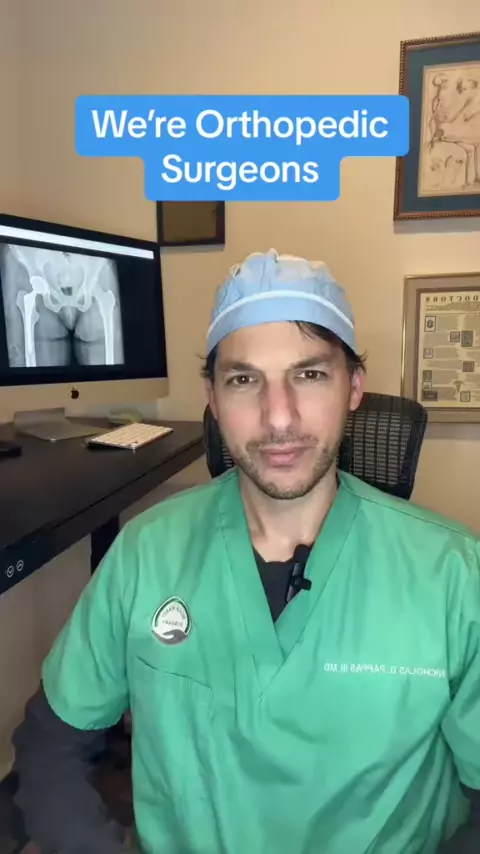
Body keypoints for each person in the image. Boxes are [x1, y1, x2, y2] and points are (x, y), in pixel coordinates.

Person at [12, 249, 480, 854]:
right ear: (211, 396)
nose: (278, 416)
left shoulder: (454, 576)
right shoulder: (146, 554)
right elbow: (51, 744)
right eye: (243, 379)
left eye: (310, 375)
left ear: (354, 387)